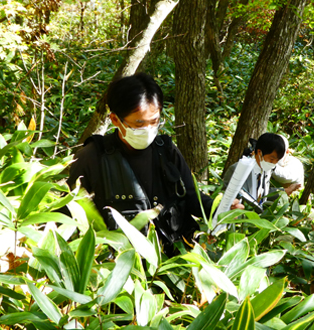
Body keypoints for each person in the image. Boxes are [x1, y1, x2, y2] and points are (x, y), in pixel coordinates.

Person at [68, 73, 213, 254]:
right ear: (115, 120)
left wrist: (218, 208)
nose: (148, 129)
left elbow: (191, 197)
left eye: (154, 121)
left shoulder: (166, 150)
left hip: (174, 261)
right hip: (122, 266)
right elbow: (69, 214)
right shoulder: (93, 157)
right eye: (139, 124)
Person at [223, 133, 301, 212]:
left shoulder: (266, 169)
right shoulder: (239, 169)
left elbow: (263, 193)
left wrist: (284, 191)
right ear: (259, 152)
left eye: (277, 161)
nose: (273, 163)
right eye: (272, 159)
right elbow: (226, 197)